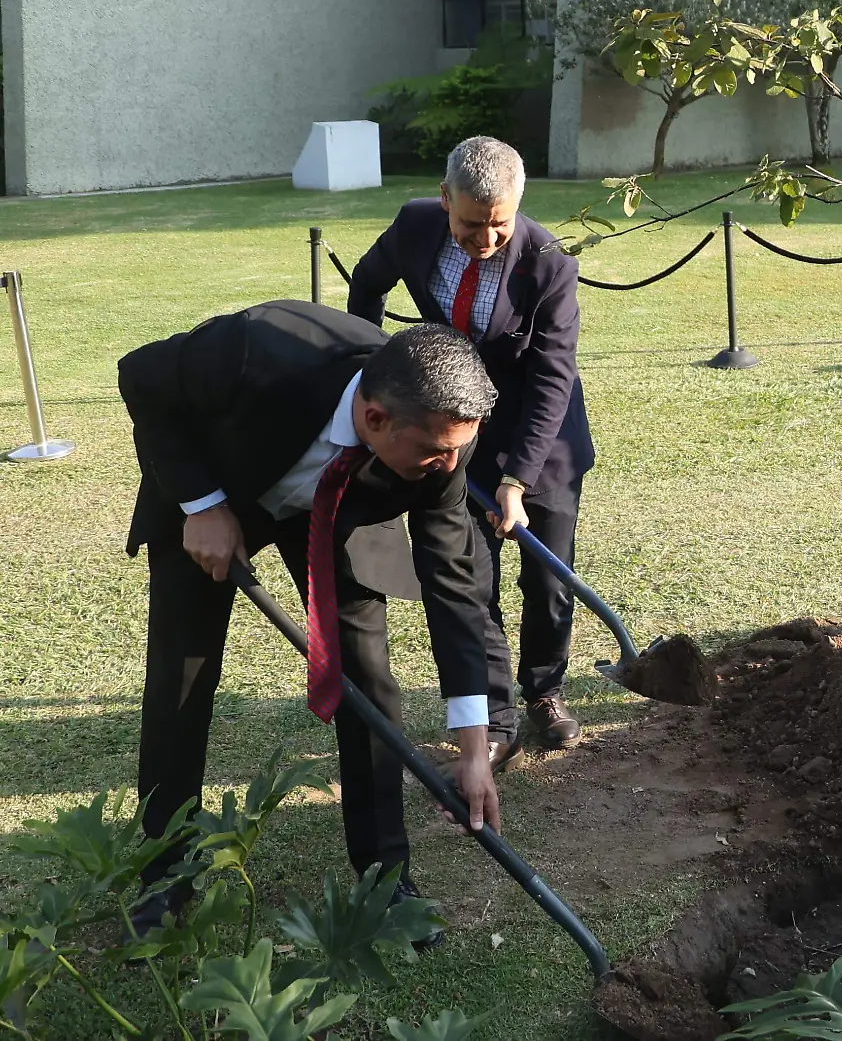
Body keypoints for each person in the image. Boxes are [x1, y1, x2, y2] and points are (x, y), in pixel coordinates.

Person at [119, 307, 501, 942]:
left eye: (458, 449)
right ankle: (165, 874)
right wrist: (203, 504)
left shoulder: (442, 432)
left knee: (368, 679)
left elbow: (454, 586)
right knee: (179, 686)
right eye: (437, 452)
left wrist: (472, 742)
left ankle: (384, 879)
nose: (450, 463)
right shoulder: (258, 352)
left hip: (339, 509)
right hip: (218, 488)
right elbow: (142, 376)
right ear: (376, 418)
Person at [350, 137, 596, 768]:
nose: (484, 240)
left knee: (547, 578)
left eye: (498, 224)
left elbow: (552, 379)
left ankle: (545, 691)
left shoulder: (548, 266)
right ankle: (495, 712)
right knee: (470, 577)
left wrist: (517, 479)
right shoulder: (414, 225)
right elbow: (368, 284)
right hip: (455, 434)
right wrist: (377, 373)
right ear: (443, 199)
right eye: (469, 224)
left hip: (541, 438)